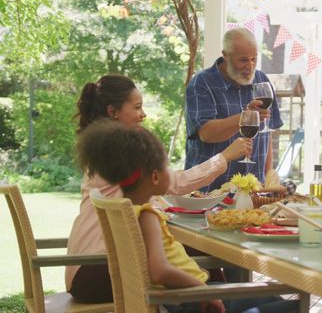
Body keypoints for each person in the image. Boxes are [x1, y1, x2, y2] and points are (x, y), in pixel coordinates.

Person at [76, 120, 298, 313]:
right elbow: (160, 270)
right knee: (293, 305)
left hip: (183, 298)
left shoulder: (128, 211)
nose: (172, 174)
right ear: (154, 176)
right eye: (166, 167)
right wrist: (203, 292)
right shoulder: (147, 216)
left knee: (268, 301)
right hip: (189, 302)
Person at [66, 74, 252, 303]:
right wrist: (224, 157)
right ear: (113, 112)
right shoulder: (117, 154)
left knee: (199, 253)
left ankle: (219, 297)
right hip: (97, 271)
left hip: (87, 269)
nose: (143, 114)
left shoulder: (105, 150)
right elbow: (173, 183)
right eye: (137, 107)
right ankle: (223, 298)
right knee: (205, 255)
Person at [185, 28, 283, 193]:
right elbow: (206, 134)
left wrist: (269, 176)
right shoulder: (201, 83)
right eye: (243, 60)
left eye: (254, 59)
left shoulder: (261, 80)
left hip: (254, 190)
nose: (250, 66)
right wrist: (246, 117)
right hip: (208, 192)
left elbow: (267, 132)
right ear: (225, 55)